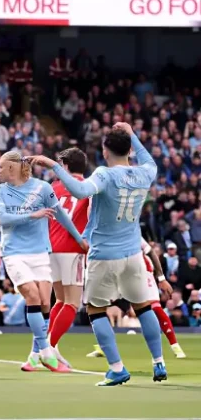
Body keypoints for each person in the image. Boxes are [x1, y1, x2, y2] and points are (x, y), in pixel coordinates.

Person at [32, 122, 167, 386]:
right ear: (129, 150)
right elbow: (146, 156)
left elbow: (79, 190)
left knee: (95, 310)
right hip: (133, 253)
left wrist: (53, 165)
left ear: (105, 152)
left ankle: (117, 368)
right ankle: (158, 361)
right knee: (143, 307)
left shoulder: (105, 174)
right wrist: (131, 134)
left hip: (104, 254)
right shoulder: (146, 172)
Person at [0, 150, 85, 373]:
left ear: (12, 168)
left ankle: (36, 356)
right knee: (33, 296)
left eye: (1, 166)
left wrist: (78, 237)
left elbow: (61, 214)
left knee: (46, 302)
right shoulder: (1, 191)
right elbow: (3, 218)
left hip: (40, 253)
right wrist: (31, 215)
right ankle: (47, 354)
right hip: (14, 252)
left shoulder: (43, 188)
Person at [88, 238, 185, 359]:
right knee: (98, 306)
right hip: (118, 273)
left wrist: (161, 278)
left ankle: (174, 345)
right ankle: (103, 347)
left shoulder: (132, 232)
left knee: (155, 308)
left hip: (142, 272)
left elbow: (150, 252)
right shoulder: (107, 233)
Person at [46, 148, 90, 367]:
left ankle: (46, 347)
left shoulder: (53, 187)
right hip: (73, 249)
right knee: (73, 303)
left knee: (60, 300)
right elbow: (92, 219)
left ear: (64, 165)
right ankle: (47, 349)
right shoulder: (88, 188)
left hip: (51, 248)